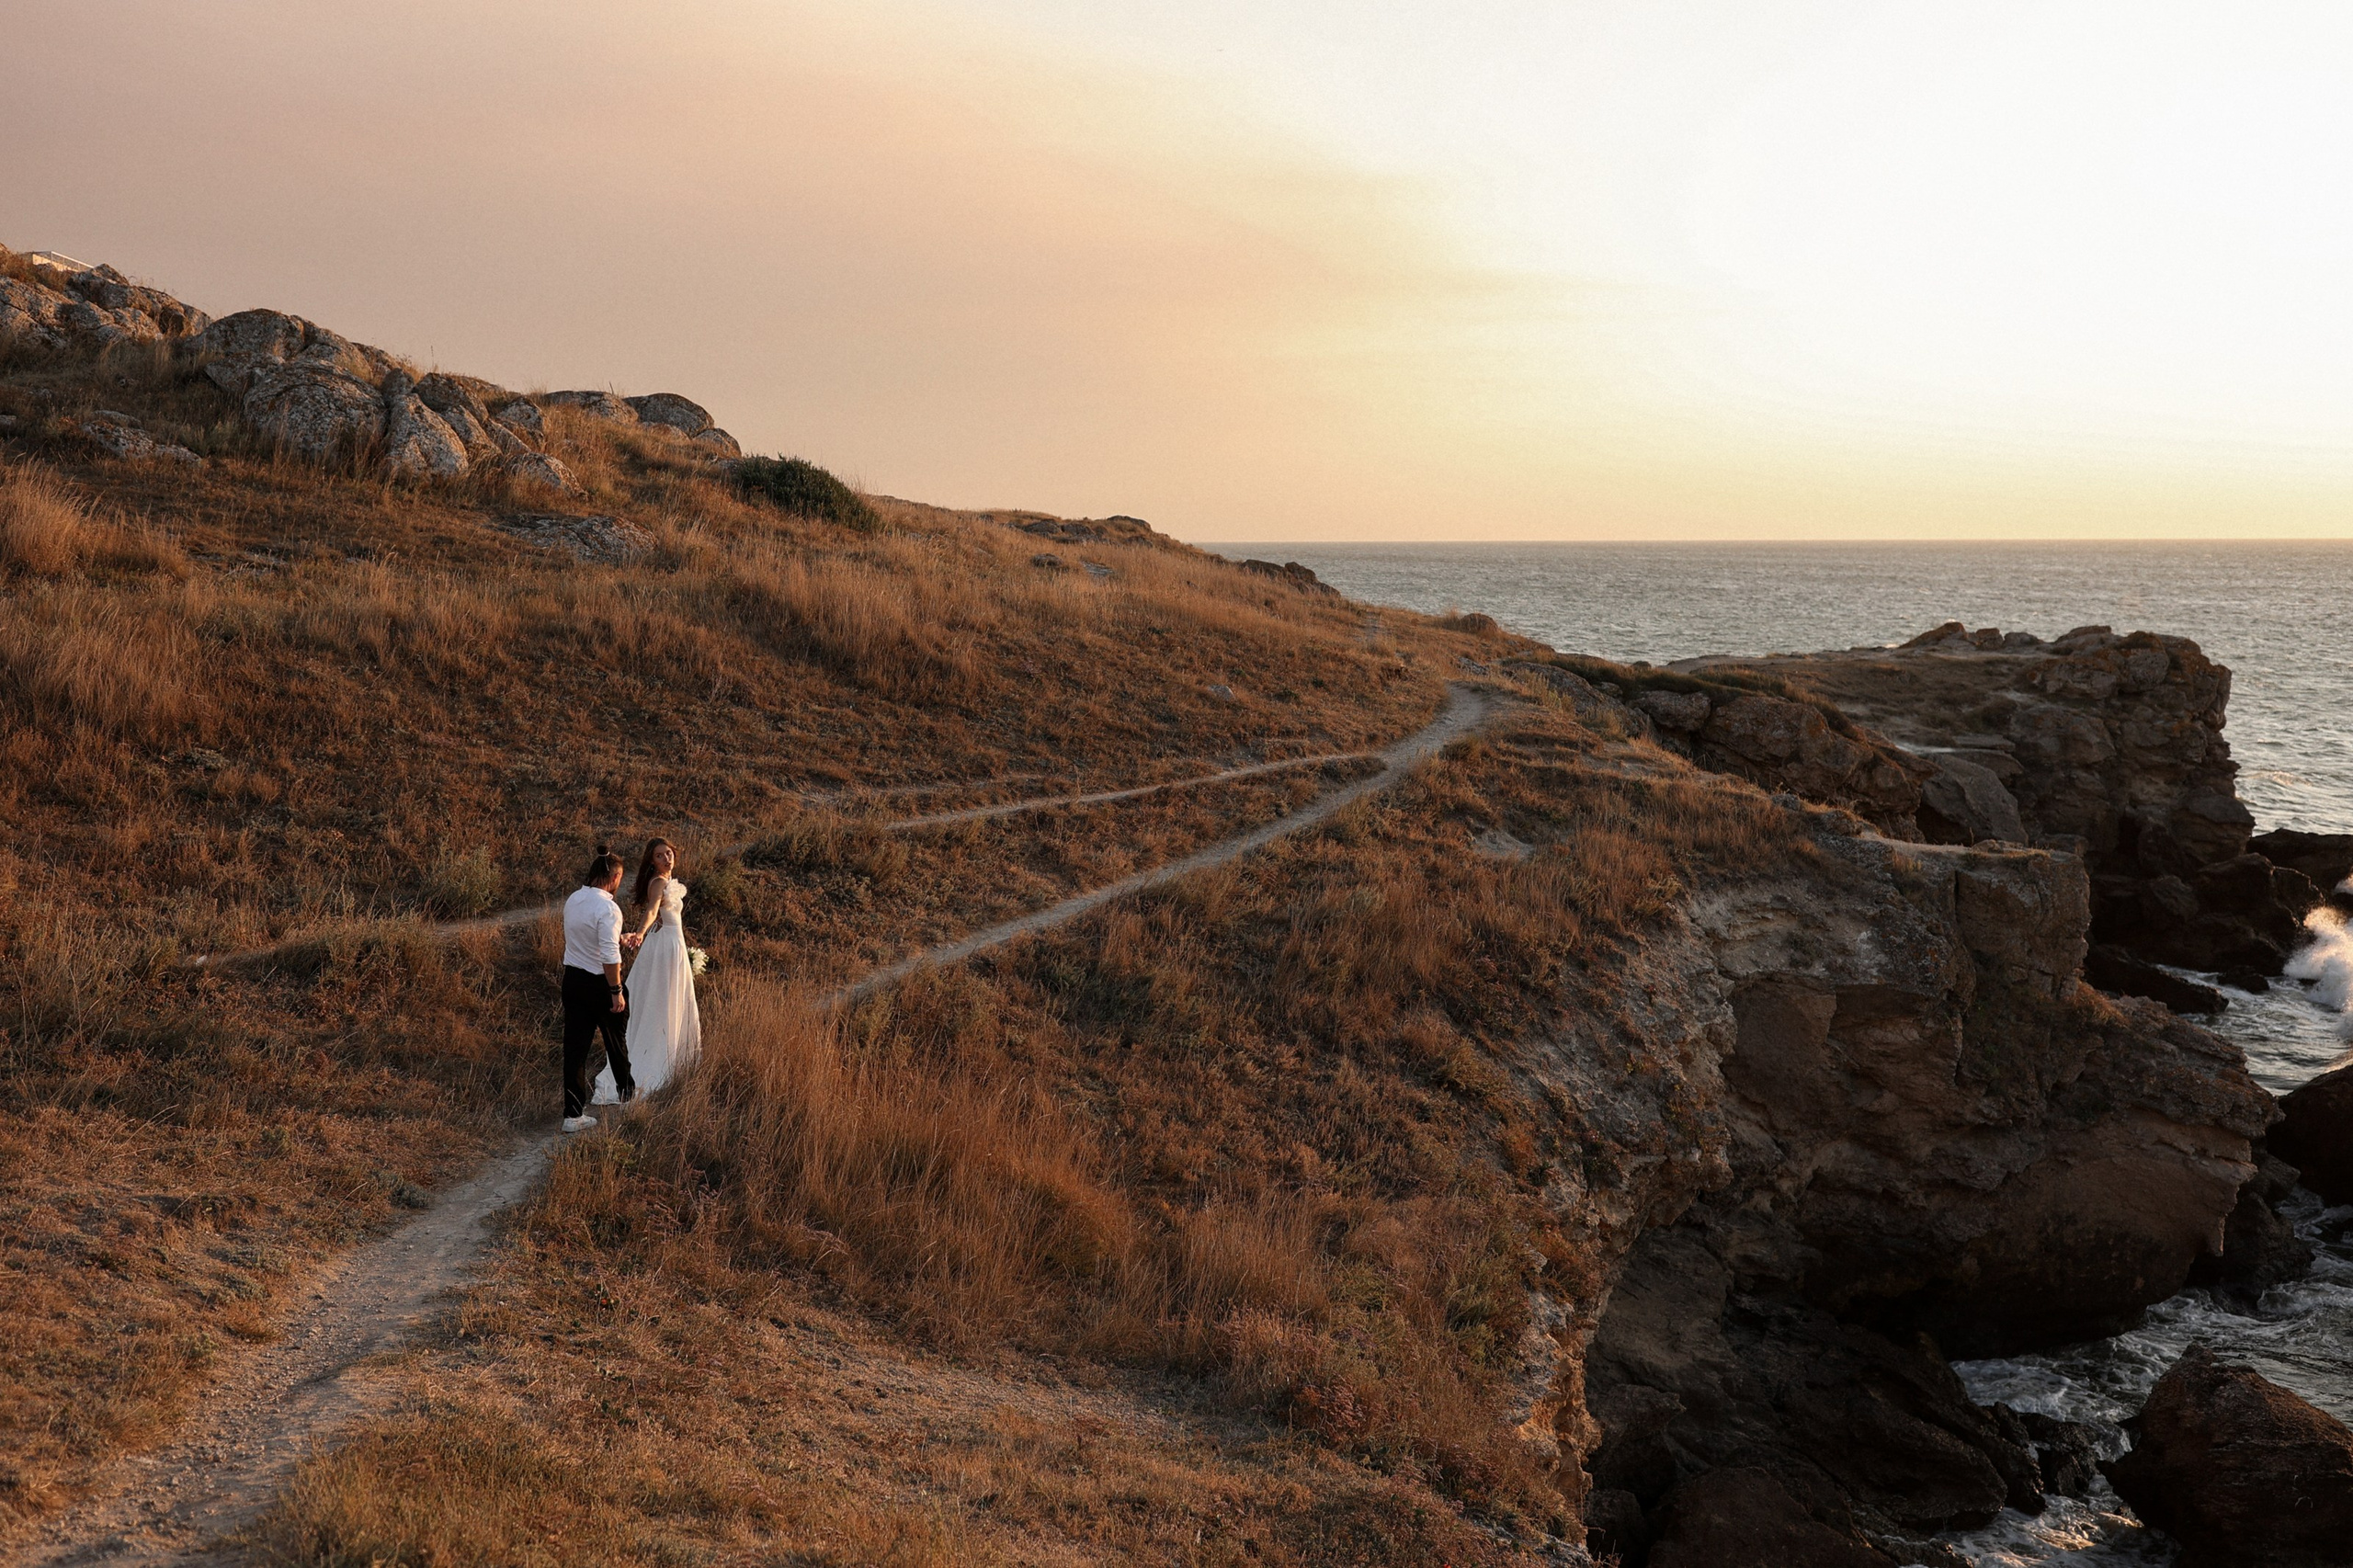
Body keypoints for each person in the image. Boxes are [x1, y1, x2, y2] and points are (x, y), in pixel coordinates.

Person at [594, 835, 701, 1104]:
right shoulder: (659, 882)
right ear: (651, 862)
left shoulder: (666, 880)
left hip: (673, 942)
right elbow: (652, 911)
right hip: (666, 947)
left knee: (670, 998)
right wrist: (640, 932)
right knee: (663, 1000)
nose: (666, 858)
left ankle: (673, 1054)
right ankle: (655, 1057)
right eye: (659, 855)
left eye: (668, 853)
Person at [560, 846, 634, 1131]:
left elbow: (588, 939)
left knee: (575, 1049)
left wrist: (619, 938)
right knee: (616, 1043)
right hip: (600, 984)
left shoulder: (573, 899)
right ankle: (627, 1099)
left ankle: (572, 1114)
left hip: (573, 980)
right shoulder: (608, 908)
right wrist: (616, 991)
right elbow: (609, 957)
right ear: (614, 877)